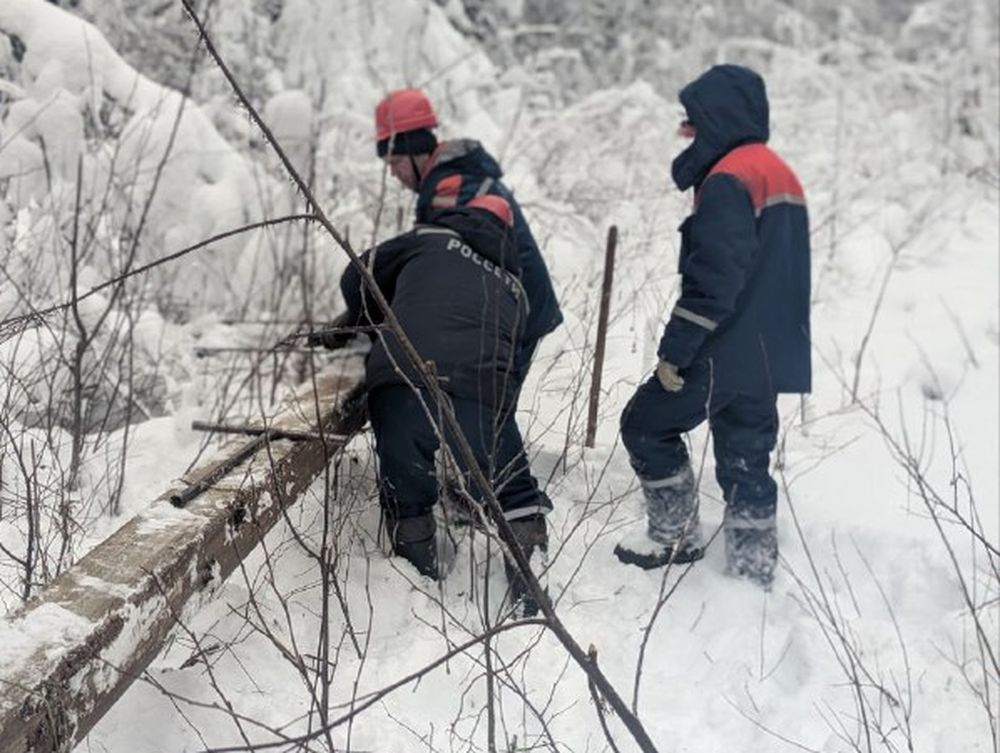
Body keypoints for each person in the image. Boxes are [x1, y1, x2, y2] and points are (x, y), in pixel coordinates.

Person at [614, 64, 811, 588]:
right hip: (771, 349)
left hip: (725, 345)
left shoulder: (728, 177)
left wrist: (676, 351)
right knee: (747, 454)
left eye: (694, 123)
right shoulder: (777, 171)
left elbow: (716, 278)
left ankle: (673, 536)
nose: (689, 135)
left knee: (644, 423)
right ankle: (753, 566)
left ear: (717, 118)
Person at [315, 195, 552, 615]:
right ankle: (529, 583)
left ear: (461, 214)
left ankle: (417, 579)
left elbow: (358, 275)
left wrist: (371, 318)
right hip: (481, 388)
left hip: (402, 377)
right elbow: (513, 363)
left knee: (405, 484)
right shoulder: (514, 284)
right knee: (514, 490)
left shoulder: (430, 237)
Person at [373, 88, 563, 382]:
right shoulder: (457, 177)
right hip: (520, 308)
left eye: (395, 162)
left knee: (485, 413)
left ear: (416, 150)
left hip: (512, 316)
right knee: (485, 414)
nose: (393, 174)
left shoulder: (450, 189)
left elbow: (442, 269)